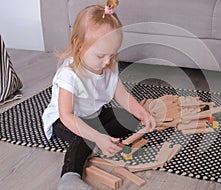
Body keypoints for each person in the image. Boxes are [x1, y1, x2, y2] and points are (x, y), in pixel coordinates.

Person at [42, 3, 156, 190]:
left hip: (94, 114)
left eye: (112, 55)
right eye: (101, 56)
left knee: (129, 118)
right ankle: (69, 178)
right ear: (79, 46)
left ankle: (100, 137)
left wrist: (143, 114)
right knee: (83, 138)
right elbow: (66, 115)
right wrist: (96, 136)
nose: (107, 62)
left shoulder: (109, 64)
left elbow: (122, 95)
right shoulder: (69, 75)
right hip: (65, 120)